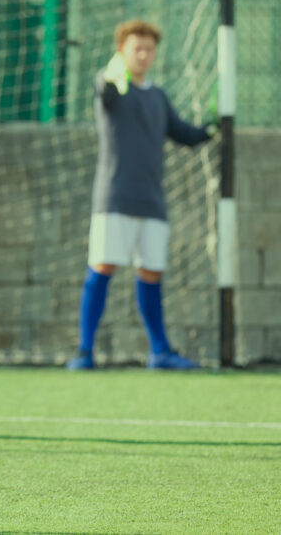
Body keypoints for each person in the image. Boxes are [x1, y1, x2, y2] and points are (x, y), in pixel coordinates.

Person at [67, 20, 215, 371]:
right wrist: (113, 72)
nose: (144, 55)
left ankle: (160, 352)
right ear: (122, 51)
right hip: (114, 199)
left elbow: (184, 134)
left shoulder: (158, 96)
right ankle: (85, 351)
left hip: (152, 203)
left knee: (152, 274)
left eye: (149, 49)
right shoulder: (112, 87)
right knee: (102, 268)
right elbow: (104, 88)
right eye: (137, 48)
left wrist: (213, 126)